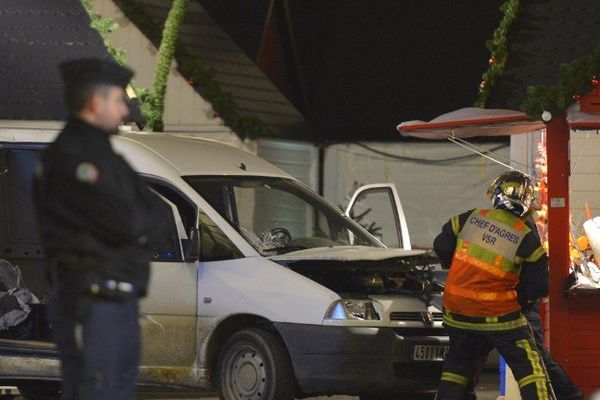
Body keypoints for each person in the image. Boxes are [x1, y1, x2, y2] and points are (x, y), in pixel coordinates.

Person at [33, 58, 170, 400]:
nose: (125, 111)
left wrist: (137, 226)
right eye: (119, 101)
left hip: (116, 302)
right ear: (96, 103)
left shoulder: (107, 157)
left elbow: (160, 216)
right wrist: (136, 226)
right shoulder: (70, 158)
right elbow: (128, 221)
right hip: (89, 303)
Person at [433, 171, 551, 400]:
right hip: (499, 315)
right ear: (526, 204)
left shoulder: (468, 219)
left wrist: (454, 265)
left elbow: (442, 245)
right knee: (529, 367)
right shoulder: (525, 235)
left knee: (457, 365)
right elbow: (539, 282)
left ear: (495, 196)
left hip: (457, 312)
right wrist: (521, 300)